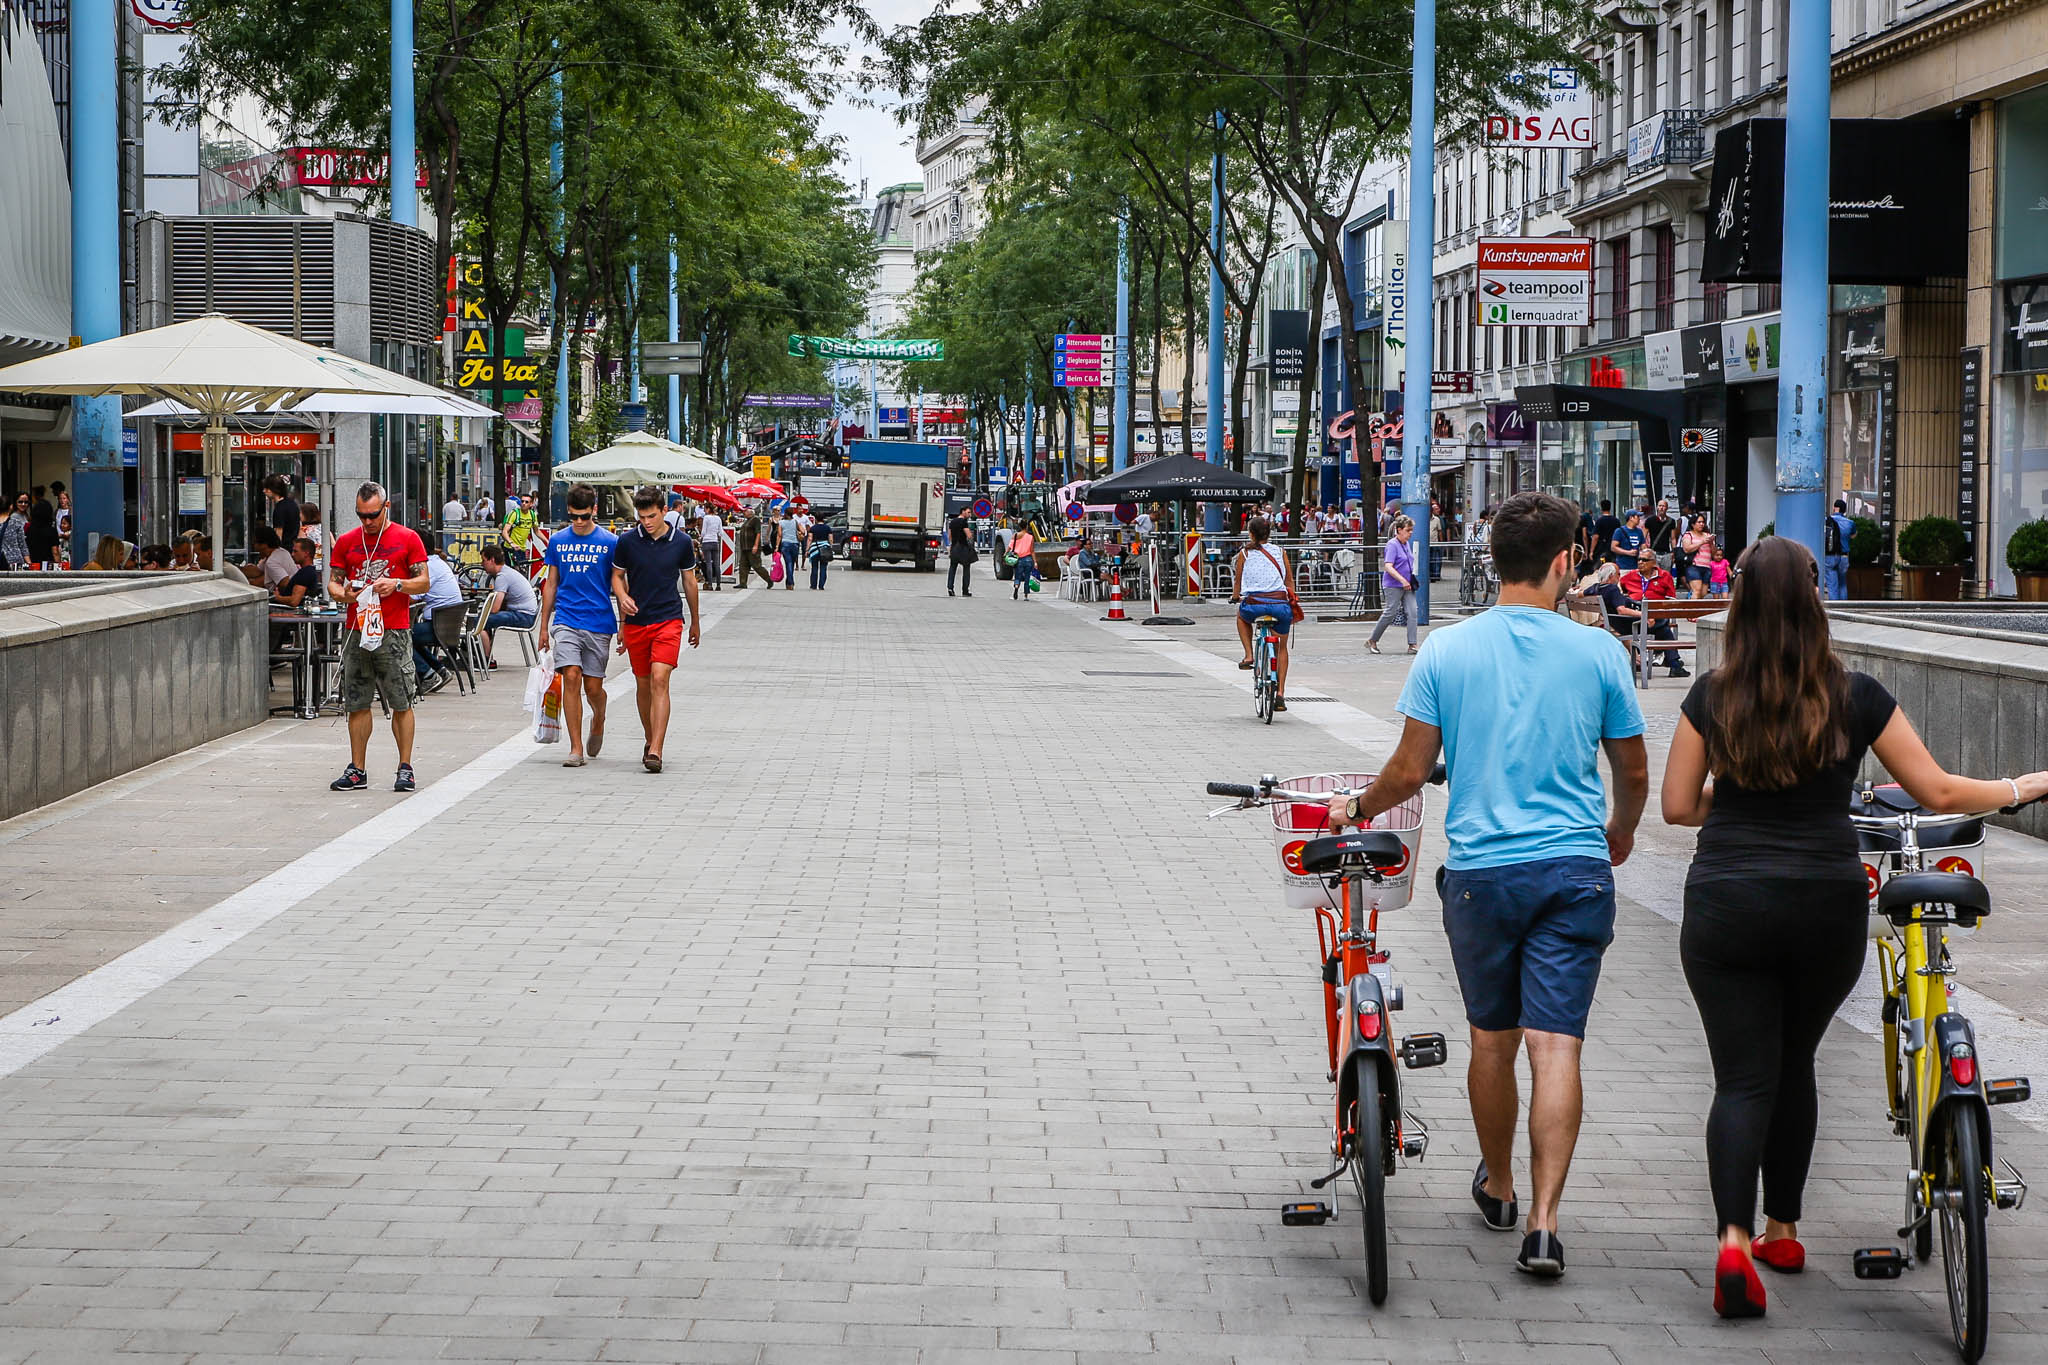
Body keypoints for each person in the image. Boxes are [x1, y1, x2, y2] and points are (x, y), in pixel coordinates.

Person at [1658, 535, 2048, 1320]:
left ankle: (1734, 1241)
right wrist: (2023, 782)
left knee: (1741, 1080)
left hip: (1727, 902)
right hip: (1821, 903)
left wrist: (1734, 807)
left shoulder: (1712, 692)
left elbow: (1675, 806)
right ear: (1814, 598)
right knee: (1794, 1059)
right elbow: (1937, 791)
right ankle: (1784, 1228)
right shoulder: (1855, 693)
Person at [1325, 491, 1647, 1281]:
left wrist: (1353, 807)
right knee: (1557, 1044)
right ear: (1566, 559)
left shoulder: (1445, 649)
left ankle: (1499, 1185)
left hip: (1481, 874)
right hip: (1574, 870)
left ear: (1492, 560)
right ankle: (1544, 1223)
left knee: (1493, 1041)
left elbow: (1407, 769)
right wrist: (1619, 832)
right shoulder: (1599, 652)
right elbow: (1633, 770)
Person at [326, 481, 430, 792]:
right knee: (357, 700)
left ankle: (405, 767)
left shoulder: (407, 538)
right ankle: (357, 768)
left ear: (386, 508)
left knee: (401, 700)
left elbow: (423, 581)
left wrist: (397, 584)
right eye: (361, 515)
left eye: (372, 515)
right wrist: (343, 596)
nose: (367, 522)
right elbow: (333, 582)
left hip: (393, 629)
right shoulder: (347, 541)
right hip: (357, 629)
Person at [610, 486, 701, 773]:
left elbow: (689, 582)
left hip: (668, 620)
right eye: (641, 517)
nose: (646, 522)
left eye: (651, 516)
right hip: (637, 621)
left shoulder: (682, 542)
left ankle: (656, 749)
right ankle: (650, 739)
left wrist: (695, 620)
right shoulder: (627, 541)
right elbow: (616, 576)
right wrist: (622, 600)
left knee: (660, 678)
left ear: (665, 511)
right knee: (643, 684)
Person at [538, 483, 618, 768]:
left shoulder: (609, 542)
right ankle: (575, 748)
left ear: (594, 510)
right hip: (567, 619)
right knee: (570, 676)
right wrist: (544, 626)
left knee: (593, 687)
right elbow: (551, 583)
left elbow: (620, 583)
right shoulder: (558, 541)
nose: (579, 522)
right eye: (574, 516)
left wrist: (626, 622)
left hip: (599, 621)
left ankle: (599, 716)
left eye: (584, 516)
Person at [1230, 518, 1297, 712]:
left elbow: (1238, 581)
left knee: (1242, 617)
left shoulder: (1244, 553)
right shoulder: (1280, 552)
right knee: (1282, 648)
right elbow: (1289, 580)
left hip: (1254, 605)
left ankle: (1249, 655)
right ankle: (1280, 694)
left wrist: (1236, 596)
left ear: (1250, 533)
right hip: (1279, 605)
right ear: (1269, 533)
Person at [408, 531, 466, 693]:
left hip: (438, 628)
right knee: (409, 635)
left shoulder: (428, 567)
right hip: (446, 627)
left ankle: (427, 675)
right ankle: (439, 670)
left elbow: (413, 597)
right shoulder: (438, 563)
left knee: (399, 636)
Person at [1619, 548, 1689, 678]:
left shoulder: (1664, 576)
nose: (1640, 562)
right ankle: (1674, 663)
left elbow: (1671, 600)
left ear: (1653, 563)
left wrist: (1657, 612)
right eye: (1639, 559)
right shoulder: (1630, 577)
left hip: (1657, 616)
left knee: (1661, 622)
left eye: (1644, 560)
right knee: (1664, 628)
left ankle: (1672, 663)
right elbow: (1621, 590)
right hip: (1635, 619)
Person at [477, 542, 537, 665]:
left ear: (492, 560)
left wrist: (482, 612)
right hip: (527, 613)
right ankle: (485, 656)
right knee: (485, 619)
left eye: (483, 561)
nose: (482, 564)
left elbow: (495, 608)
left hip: (523, 616)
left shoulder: (502, 577)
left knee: (480, 621)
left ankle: (486, 660)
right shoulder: (507, 571)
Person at [1368, 514, 1420, 654]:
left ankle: (1412, 644)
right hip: (1393, 585)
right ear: (1399, 530)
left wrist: (1408, 579)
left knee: (1413, 611)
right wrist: (1402, 580)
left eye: (1411, 530)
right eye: (1408, 530)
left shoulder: (1406, 544)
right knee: (1390, 612)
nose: (1410, 533)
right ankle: (1373, 640)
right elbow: (1388, 566)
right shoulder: (1392, 545)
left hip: (1407, 584)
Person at [274, 538, 322, 608]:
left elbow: (294, 601)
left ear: (306, 553)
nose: (292, 554)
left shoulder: (306, 573)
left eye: (295, 551)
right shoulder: (306, 571)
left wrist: (278, 598)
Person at [1822, 499, 1853, 601]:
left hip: (1830, 555)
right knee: (1843, 584)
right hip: (1844, 556)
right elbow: (1853, 535)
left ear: (1835, 508)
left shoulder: (1827, 520)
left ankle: (1835, 609)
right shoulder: (1850, 523)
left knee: (1832, 586)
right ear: (1844, 510)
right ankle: (1845, 607)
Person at [1678, 516, 1714, 599]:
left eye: (1703, 522)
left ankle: (1692, 601)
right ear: (1693, 524)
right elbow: (1687, 549)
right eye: (1699, 522)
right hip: (1693, 566)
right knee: (1697, 590)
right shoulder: (1688, 535)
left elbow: (1714, 553)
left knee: (1703, 592)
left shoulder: (1707, 535)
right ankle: (1692, 610)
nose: (1701, 524)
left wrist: (1711, 543)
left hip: (1706, 566)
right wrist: (1702, 542)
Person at [262, 474, 302, 548]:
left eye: (266, 488)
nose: (264, 491)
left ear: (274, 490)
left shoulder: (279, 508)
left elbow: (279, 533)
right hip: (293, 547)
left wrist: (275, 551)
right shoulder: (292, 504)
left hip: (284, 548)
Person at [251, 527, 295, 591]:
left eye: (255, 542)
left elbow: (286, 584)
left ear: (264, 544)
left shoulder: (272, 562)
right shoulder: (281, 551)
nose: (253, 545)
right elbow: (257, 571)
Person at [736, 508, 772, 588]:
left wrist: (755, 545)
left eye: (745, 511)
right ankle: (743, 583)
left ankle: (769, 580)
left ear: (751, 513)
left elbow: (758, 533)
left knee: (757, 566)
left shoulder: (755, 520)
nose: (744, 513)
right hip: (745, 547)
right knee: (743, 565)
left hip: (752, 547)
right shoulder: (746, 521)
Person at [25, 499, 60, 567]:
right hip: (48, 565)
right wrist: (58, 565)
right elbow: (55, 551)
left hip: (33, 563)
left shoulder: (29, 529)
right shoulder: (51, 530)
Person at [503, 494, 538, 559]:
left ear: (531, 504)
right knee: (515, 568)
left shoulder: (532, 515)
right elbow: (505, 531)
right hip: (510, 548)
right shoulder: (515, 513)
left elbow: (537, 531)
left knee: (521, 568)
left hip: (522, 549)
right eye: (522, 501)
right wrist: (511, 543)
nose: (524, 503)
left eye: (526, 502)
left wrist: (547, 541)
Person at [699, 504, 724, 591]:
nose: (704, 510)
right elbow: (721, 532)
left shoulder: (706, 518)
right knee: (717, 564)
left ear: (708, 509)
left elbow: (703, 531)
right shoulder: (718, 518)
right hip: (715, 542)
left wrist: (700, 538)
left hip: (706, 542)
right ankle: (718, 584)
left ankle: (710, 584)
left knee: (709, 564)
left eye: (705, 508)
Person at [1010, 525, 1039, 600]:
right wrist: (1035, 562)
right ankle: (1026, 595)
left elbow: (1010, 546)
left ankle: (1016, 587)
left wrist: (1005, 554)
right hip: (1028, 559)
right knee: (1027, 578)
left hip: (1018, 559)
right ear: (1026, 527)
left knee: (1017, 576)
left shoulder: (1015, 535)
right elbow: (1032, 551)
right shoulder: (1030, 537)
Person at [774, 507, 800, 589]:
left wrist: (777, 546)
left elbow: (779, 535)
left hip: (785, 544)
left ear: (785, 513)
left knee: (788, 563)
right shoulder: (795, 522)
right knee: (791, 564)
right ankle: (789, 583)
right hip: (795, 544)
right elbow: (803, 531)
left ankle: (790, 582)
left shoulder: (781, 522)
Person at [1, 492, 29, 569]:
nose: (23, 504)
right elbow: (22, 545)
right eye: (20, 502)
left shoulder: (24, 516)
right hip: (15, 561)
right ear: (11, 506)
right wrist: (29, 563)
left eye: (26, 502)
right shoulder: (15, 522)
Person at [1646, 499, 1676, 568]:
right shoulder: (1650, 520)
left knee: (1666, 575)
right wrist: (1646, 550)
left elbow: (1673, 538)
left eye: (1663, 506)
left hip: (1666, 553)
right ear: (1657, 507)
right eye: (1660, 506)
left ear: (1667, 508)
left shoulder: (1671, 521)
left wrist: (1674, 552)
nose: (1661, 508)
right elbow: (1643, 536)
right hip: (1654, 552)